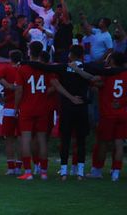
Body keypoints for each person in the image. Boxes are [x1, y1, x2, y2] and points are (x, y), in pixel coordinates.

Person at [15, 41, 83, 180]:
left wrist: (16, 107)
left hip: (27, 107)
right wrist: (71, 97)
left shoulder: (22, 69)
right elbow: (56, 85)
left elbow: (19, 91)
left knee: (26, 139)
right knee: (42, 140)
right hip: (43, 108)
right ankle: (43, 172)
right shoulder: (47, 69)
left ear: (29, 51)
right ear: (41, 52)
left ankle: (28, 171)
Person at [26, 45, 96, 180]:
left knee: (65, 139)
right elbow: (94, 77)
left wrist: (24, 62)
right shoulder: (87, 67)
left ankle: (64, 170)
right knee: (80, 140)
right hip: (81, 106)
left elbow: (45, 67)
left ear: (70, 54)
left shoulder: (63, 67)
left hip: (67, 108)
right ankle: (80, 172)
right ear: (82, 55)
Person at [87, 52, 127, 182]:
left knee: (102, 143)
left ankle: (97, 170)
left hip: (108, 114)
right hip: (122, 113)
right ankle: (116, 172)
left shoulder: (107, 73)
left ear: (113, 61)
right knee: (119, 143)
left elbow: (95, 84)